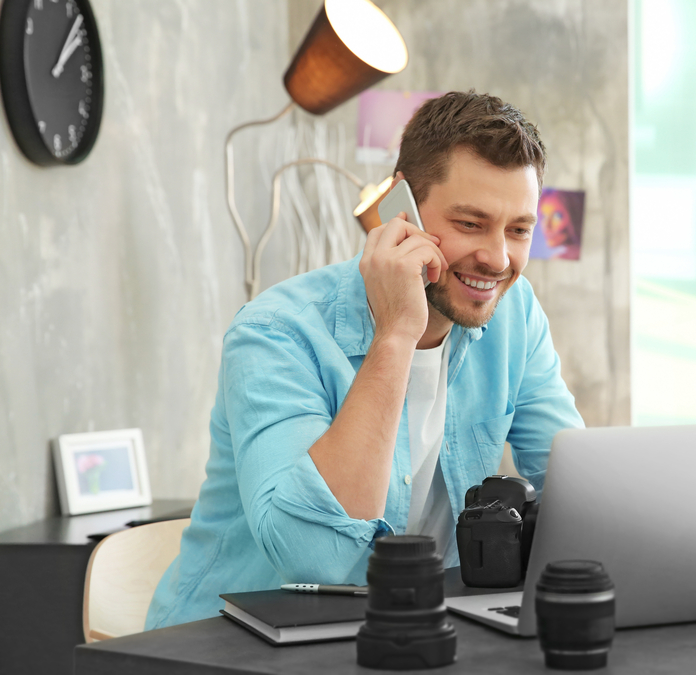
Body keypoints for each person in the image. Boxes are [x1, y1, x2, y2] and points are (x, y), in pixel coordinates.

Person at [145, 91, 585, 629]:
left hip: (397, 634)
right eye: (471, 223)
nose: (498, 258)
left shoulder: (515, 315)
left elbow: (580, 493)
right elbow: (318, 559)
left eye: (518, 229)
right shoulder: (274, 333)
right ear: (404, 210)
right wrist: (397, 334)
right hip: (229, 645)